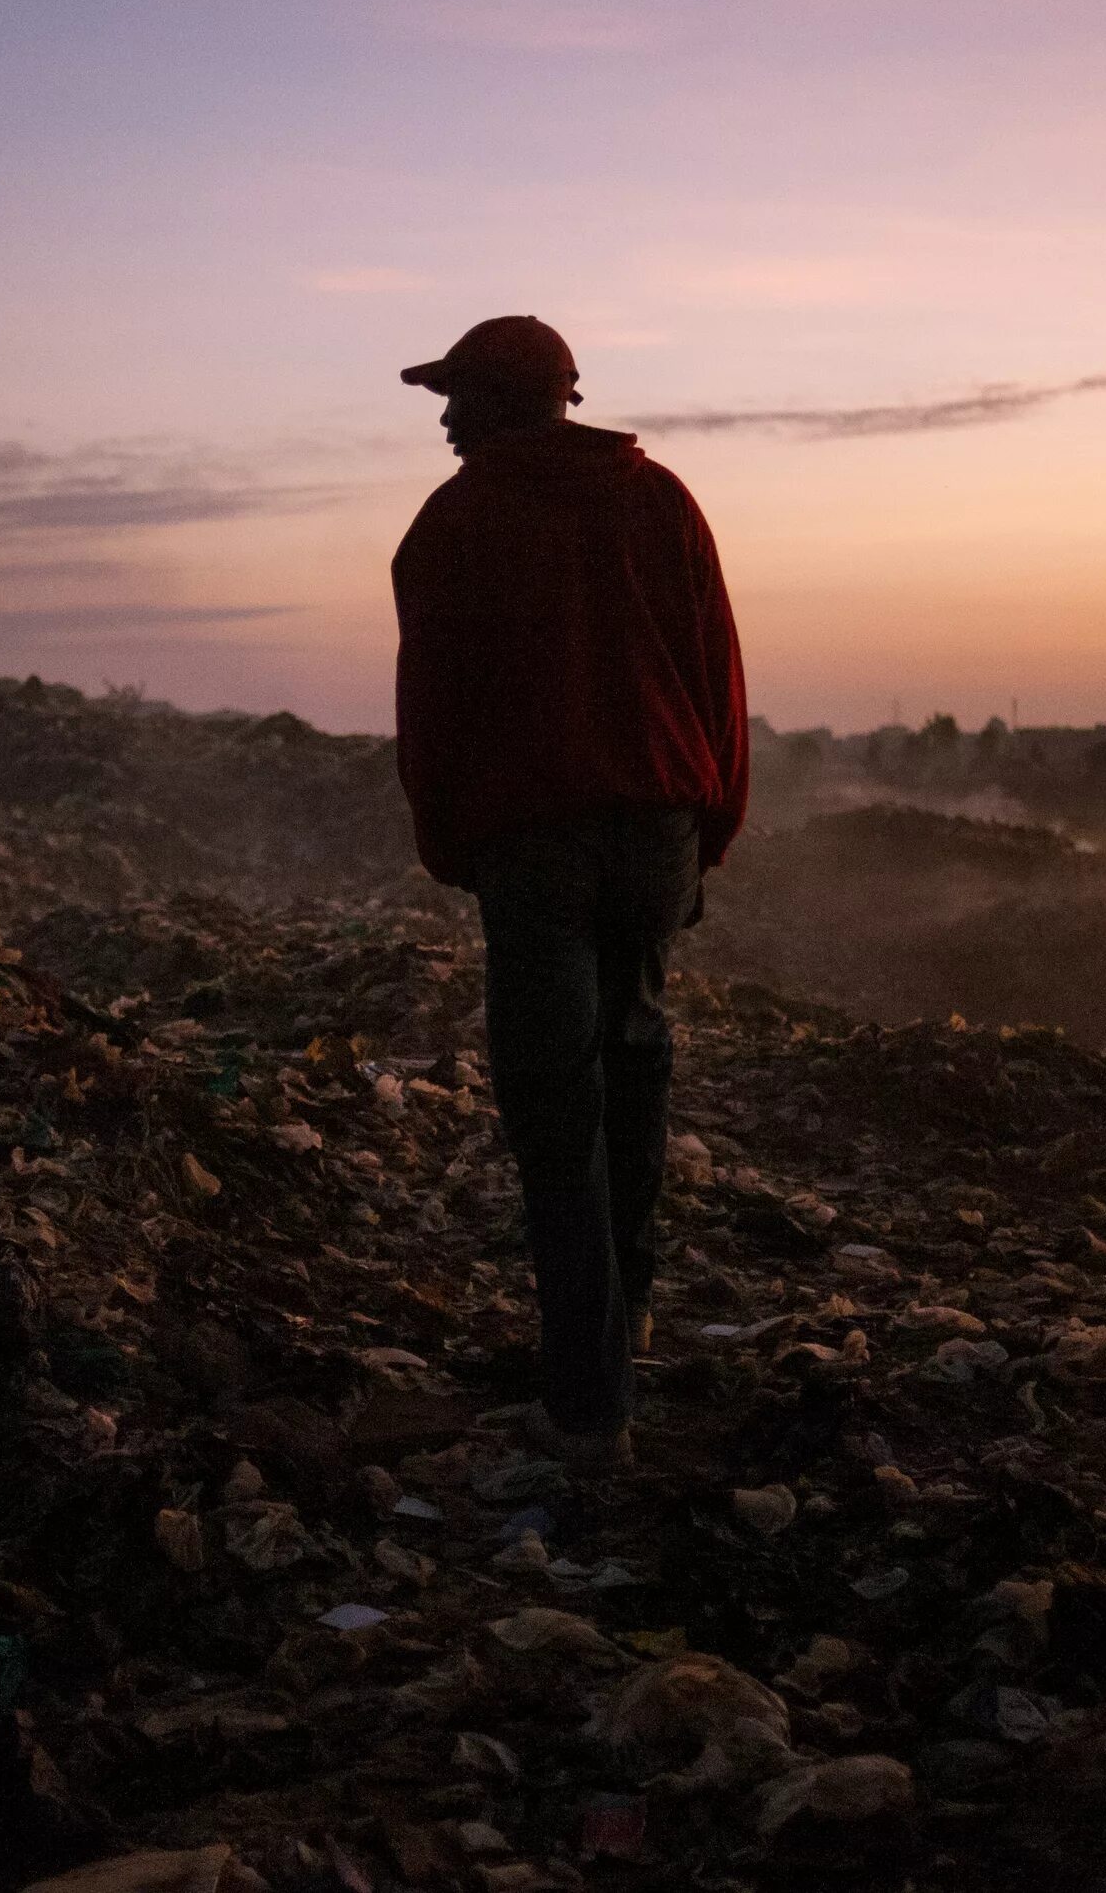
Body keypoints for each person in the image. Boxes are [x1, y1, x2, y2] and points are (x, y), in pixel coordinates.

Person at [387, 315, 749, 1467]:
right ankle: (622, 1328)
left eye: (456, 399)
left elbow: (432, 712)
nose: (443, 422)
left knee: (558, 1114)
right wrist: (711, 827)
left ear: (501, 402)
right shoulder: (665, 503)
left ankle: (589, 1410)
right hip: (658, 833)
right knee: (635, 1070)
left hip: (535, 842)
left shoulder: (455, 524)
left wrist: (453, 845)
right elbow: (717, 677)